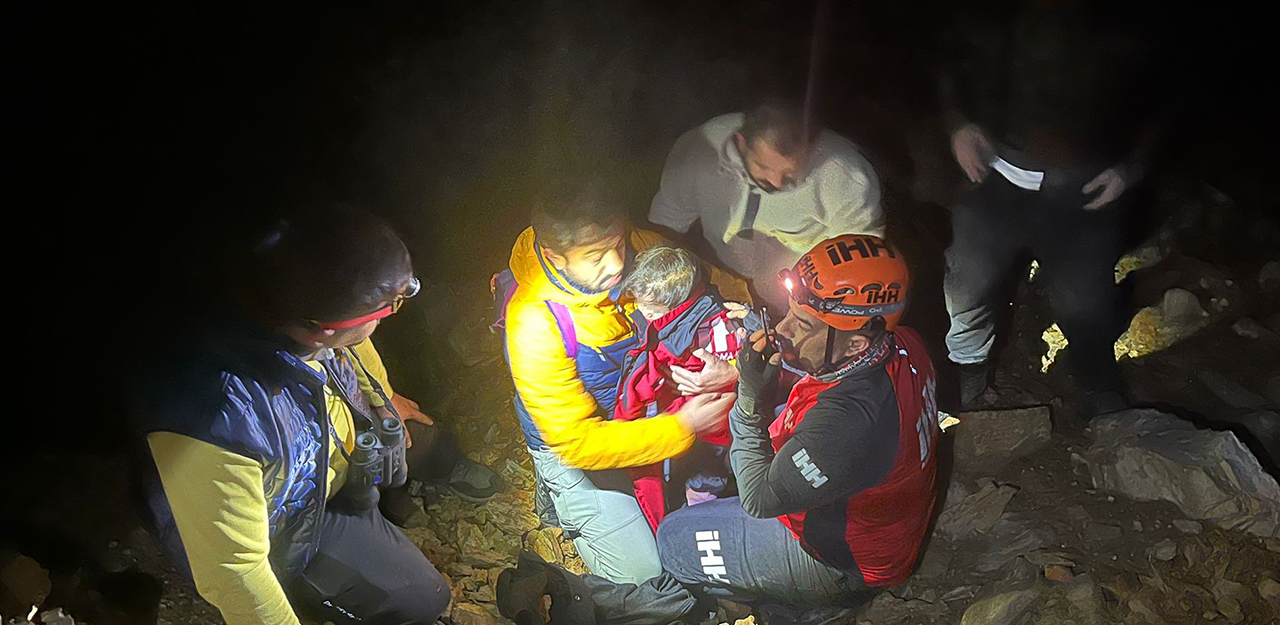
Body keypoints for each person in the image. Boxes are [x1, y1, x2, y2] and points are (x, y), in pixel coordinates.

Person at [499, 234, 940, 623]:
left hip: (843, 561)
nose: (783, 328)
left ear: (857, 341)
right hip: (883, 524)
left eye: (802, 324)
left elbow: (761, 497)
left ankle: (793, 598)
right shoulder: (903, 343)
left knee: (673, 540)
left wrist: (746, 398)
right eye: (789, 312)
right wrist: (736, 373)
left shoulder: (847, 423)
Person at [137, 205, 458, 625]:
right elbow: (236, 571)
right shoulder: (214, 422)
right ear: (324, 329)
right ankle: (315, 588)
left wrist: (383, 397)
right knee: (425, 601)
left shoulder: (301, 306)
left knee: (429, 443)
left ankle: (377, 507)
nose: (394, 310)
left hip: (334, 456)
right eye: (390, 306)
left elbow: (353, 342)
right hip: (293, 519)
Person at [939, 0, 1168, 418]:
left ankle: (1099, 392)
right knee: (967, 285)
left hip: (1085, 197)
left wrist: (1133, 166)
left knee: (1085, 304)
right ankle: (968, 378)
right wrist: (960, 124)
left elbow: (1162, 102)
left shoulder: (1126, 16)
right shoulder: (994, 8)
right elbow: (952, 68)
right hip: (997, 180)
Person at [497, 176, 746, 585]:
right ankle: (557, 488)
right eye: (595, 256)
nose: (617, 265)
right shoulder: (534, 324)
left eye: (617, 244)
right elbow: (578, 441)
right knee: (646, 576)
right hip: (584, 444)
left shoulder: (644, 249)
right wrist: (684, 427)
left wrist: (732, 365)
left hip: (650, 409)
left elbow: (728, 298)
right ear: (554, 256)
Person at [649, 100, 884, 306]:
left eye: (790, 172)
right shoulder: (699, 151)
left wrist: (816, 310)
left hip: (805, 293)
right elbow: (665, 224)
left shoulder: (846, 175)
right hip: (720, 279)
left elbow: (863, 261)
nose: (776, 182)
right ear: (742, 144)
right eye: (763, 167)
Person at [615, 245, 760, 530]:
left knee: (703, 483)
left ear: (676, 304)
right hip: (693, 422)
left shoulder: (699, 336)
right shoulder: (702, 312)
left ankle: (702, 524)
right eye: (640, 304)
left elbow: (638, 391)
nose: (643, 312)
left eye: (651, 309)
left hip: (708, 432)